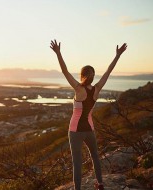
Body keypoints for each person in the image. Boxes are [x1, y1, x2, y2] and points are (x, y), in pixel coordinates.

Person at [50, 40, 127, 190]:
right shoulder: (97, 89)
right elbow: (108, 72)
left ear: (82, 75)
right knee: (95, 158)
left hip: (75, 131)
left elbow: (65, 71)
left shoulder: (79, 89)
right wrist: (117, 55)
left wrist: (58, 53)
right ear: (92, 76)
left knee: (77, 163)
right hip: (89, 129)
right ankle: (100, 184)